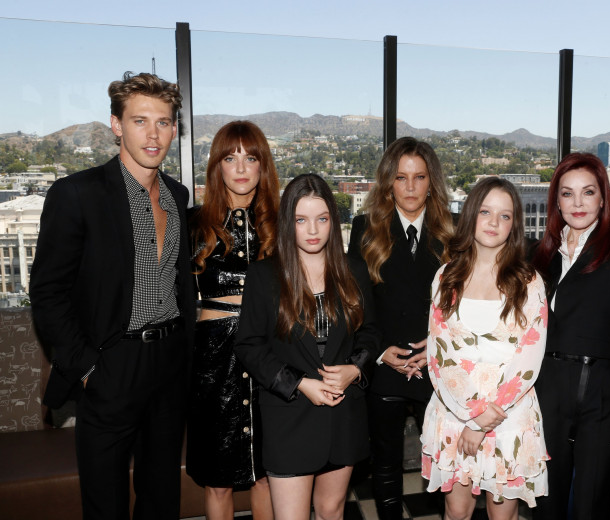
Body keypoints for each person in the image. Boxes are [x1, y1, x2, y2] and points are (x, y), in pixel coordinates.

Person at [29, 72, 196, 519]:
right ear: (116, 125)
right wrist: (86, 369)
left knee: (161, 499)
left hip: (169, 366)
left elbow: (181, 284)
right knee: (105, 504)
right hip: (110, 366)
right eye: (140, 121)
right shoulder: (77, 194)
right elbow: (47, 292)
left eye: (163, 122)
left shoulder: (178, 197)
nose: (153, 134)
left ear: (175, 128)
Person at [233, 174, 381, 520]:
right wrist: (298, 383)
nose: (312, 230)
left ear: (333, 220)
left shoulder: (353, 271)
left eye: (322, 218)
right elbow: (249, 346)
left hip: (343, 416)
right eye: (301, 220)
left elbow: (372, 332)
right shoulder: (264, 276)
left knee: (331, 511)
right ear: (289, 223)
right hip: (290, 418)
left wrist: (355, 368)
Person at [421, 177, 549, 519]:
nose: (494, 222)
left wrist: (482, 422)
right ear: (470, 216)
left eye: (505, 216)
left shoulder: (529, 281)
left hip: (508, 416)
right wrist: (470, 413)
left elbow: (528, 360)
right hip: (454, 410)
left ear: (515, 224)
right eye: (485, 211)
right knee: (456, 512)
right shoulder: (445, 277)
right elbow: (439, 355)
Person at [531, 153, 610, 520]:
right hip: (547, 390)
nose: (578, 203)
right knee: (545, 500)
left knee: (591, 504)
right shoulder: (541, 254)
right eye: (567, 194)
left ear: (603, 198)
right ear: (557, 201)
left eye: (588, 192)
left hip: (603, 393)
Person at [347, 136, 454, 520]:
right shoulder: (364, 228)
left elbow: (463, 308)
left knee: (445, 465)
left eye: (419, 177)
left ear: (431, 182)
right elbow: (354, 303)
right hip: (384, 363)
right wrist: (378, 352)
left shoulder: (453, 232)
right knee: (386, 465)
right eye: (401, 177)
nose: (410, 187)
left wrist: (438, 349)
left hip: (437, 367)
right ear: (388, 183)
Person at [186, 121, 279, 519]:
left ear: (263, 166)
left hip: (270, 353)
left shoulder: (282, 224)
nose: (241, 167)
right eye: (230, 157)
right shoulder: (192, 224)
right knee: (218, 480)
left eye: (251, 157)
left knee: (266, 474)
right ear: (217, 166)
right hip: (212, 362)